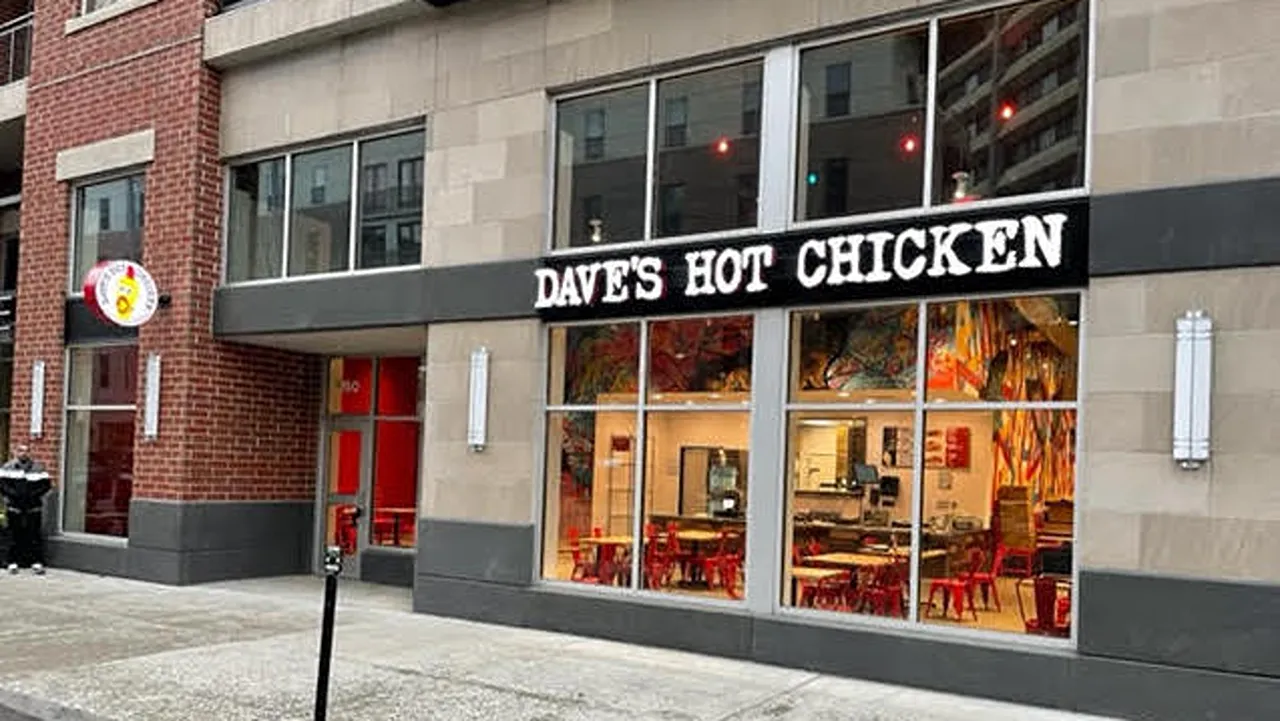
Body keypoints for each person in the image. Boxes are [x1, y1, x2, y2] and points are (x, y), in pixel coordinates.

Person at [0, 444, 51, 574]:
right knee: (13, 535)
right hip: (14, 507)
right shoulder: (7, 468)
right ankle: (12, 562)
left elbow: (45, 486)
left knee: (34, 534)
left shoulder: (38, 468)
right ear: (15, 452)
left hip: (33, 507)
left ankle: (36, 562)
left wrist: (32, 496)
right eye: (20, 450)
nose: (23, 453)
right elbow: (3, 486)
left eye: (26, 450)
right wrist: (14, 496)